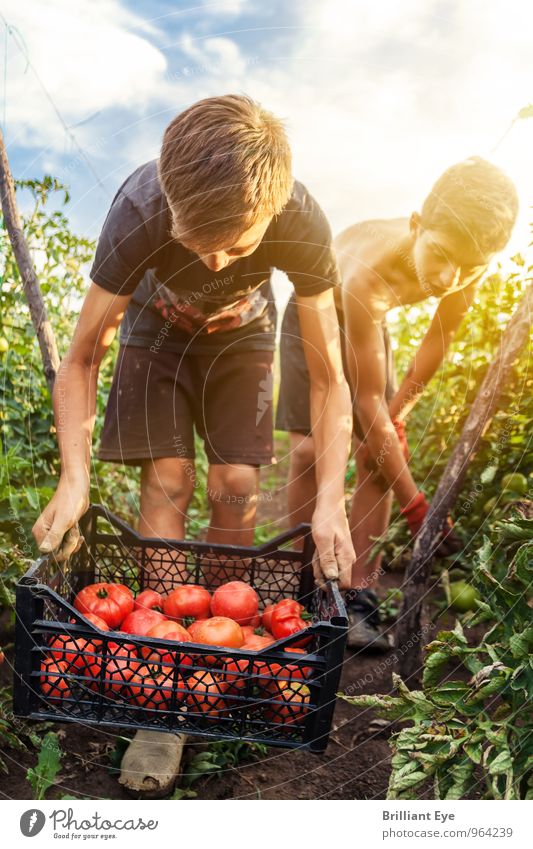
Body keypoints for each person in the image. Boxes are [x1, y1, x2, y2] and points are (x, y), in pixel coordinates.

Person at [32, 94, 355, 590]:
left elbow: (329, 376)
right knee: (169, 481)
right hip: (153, 330)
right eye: (197, 246)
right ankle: (164, 636)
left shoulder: (302, 223)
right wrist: (74, 477)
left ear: (275, 206)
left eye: (238, 246)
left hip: (243, 334)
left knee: (237, 485)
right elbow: (82, 358)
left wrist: (331, 500)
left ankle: (223, 632)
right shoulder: (139, 210)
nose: (218, 265)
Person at [276, 156, 519, 649]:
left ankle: (357, 593)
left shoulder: (468, 262)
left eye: (469, 268)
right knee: (310, 452)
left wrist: (398, 414)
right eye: (443, 255)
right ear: (416, 225)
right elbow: (364, 401)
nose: (452, 277)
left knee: (374, 458)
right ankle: (301, 587)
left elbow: (435, 344)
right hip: (320, 308)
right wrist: (417, 507)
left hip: (373, 325)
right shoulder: (367, 271)